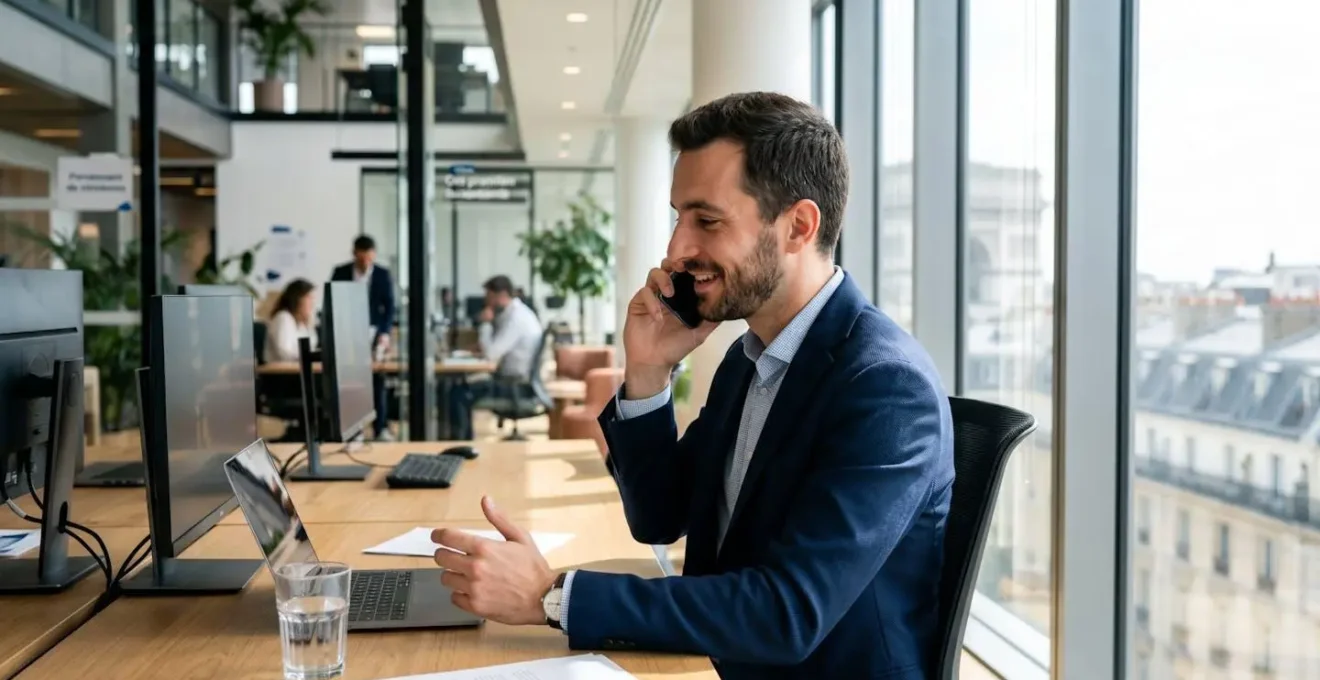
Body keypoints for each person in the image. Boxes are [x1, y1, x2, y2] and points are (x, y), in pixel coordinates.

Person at [428, 92, 954, 679]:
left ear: (798, 227)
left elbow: (787, 614)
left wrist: (551, 596)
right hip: (715, 661)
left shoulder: (884, 387)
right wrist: (649, 371)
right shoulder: (749, 359)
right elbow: (660, 518)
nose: (677, 248)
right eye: (679, 217)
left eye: (707, 220)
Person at [448, 275, 543, 440]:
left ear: (502, 295)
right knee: (459, 389)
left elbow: (491, 354)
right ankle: (462, 441)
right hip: (515, 382)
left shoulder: (516, 318)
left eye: (489, 296)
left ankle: (461, 443)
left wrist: (485, 323)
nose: (486, 301)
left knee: (458, 394)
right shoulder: (514, 314)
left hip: (516, 387)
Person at [331, 235, 395, 441]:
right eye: (362, 259)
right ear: (354, 254)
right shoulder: (340, 272)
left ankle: (380, 427)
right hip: (348, 334)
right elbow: (334, 304)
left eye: (369, 258)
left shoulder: (382, 274)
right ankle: (354, 429)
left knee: (377, 380)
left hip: (373, 333)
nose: (366, 263)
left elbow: (390, 308)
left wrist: (384, 333)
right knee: (352, 382)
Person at [264, 279, 317, 362]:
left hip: (298, 366)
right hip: (281, 369)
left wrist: (309, 323)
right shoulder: (283, 317)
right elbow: (284, 353)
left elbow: (312, 346)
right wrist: (309, 356)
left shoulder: (302, 322)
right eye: (308, 297)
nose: (312, 302)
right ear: (296, 299)